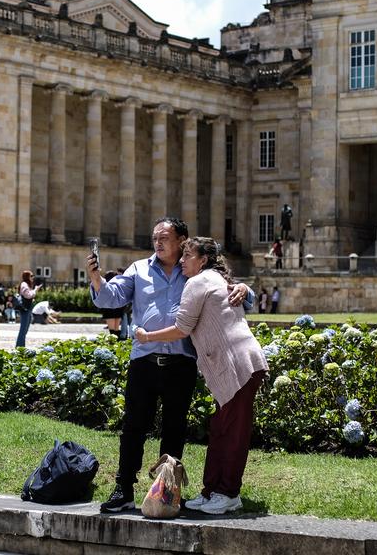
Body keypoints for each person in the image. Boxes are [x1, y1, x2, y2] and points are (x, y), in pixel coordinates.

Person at [88, 216, 253, 513]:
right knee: (133, 428)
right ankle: (124, 489)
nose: (158, 242)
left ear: (182, 241)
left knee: (174, 430)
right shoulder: (139, 269)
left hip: (181, 361)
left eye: (165, 237)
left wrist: (244, 288)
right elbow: (109, 299)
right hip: (144, 361)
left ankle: (167, 492)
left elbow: (229, 288)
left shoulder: (193, 270)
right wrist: (97, 278)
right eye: (155, 238)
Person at [135, 237, 269, 515]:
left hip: (238, 365)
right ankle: (212, 492)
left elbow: (182, 328)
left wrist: (147, 337)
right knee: (222, 428)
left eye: (187, 255)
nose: (182, 260)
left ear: (203, 260)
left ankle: (228, 493)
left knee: (232, 432)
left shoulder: (199, 282)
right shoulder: (213, 278)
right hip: (235, 364)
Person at [15, 270, 41, 348]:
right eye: (31, 276)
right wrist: (35, 290)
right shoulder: (24, 284)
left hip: (28, 308)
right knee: (23, 329)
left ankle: (21, 346)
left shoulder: (26, 284)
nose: (33, 277)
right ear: (27, 277)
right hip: (25, 309)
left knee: (25, 329)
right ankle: (20, 346)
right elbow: (28, 295)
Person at [99, 270, 125, 337]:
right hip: (118, 308)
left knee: (112, 331)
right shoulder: (118, 285)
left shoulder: (105, 286)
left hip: (109, 309)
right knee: (116, 330)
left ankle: (113, 345)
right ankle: (118, 344)